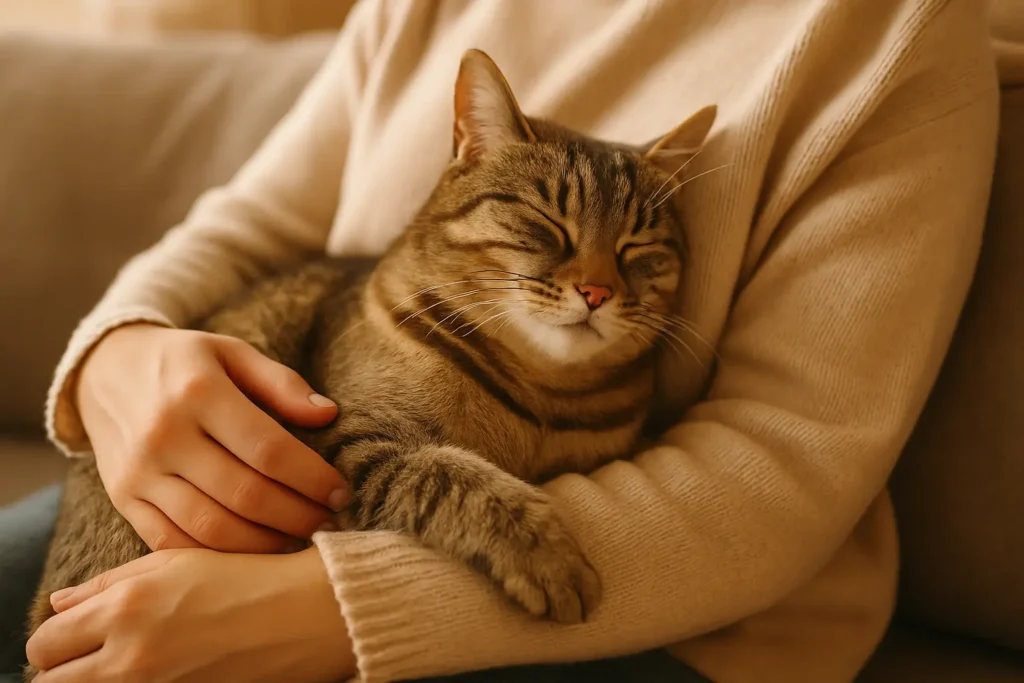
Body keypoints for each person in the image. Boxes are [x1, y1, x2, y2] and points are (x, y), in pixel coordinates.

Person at [14, 0, 999, 681]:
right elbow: (251, 227)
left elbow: (782, 461)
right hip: (272, 491)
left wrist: (339, 605)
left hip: (660, 606)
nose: (594, 279)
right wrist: (117, 356)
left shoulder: (893, 31)